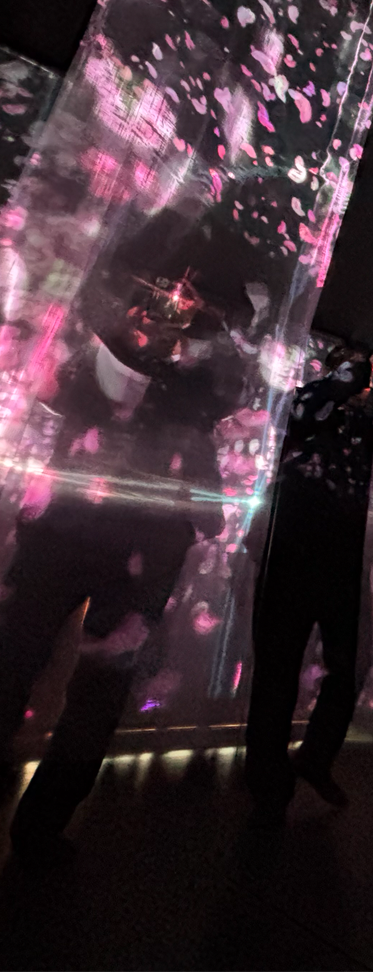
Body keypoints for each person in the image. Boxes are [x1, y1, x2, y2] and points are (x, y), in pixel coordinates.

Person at [0, 245, 248, 865]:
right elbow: (62, 391)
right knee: (33, 668)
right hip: (92, 536)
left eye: (189, 294)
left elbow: (216, 402)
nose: (176, 302)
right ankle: (38, 831)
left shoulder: (196, 372)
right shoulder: (119, 348)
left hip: (119, 544)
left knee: (73, 682)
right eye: (174, 290)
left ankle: (40, 829)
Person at [244, 344, 373, 827]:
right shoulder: (307, 400)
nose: (364, 375)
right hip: (293, 549)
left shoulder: (370, 422)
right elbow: (305, 411)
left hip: (346, 556)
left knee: (352, 664)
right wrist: (354, 376)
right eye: (352, 365)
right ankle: (268, 786)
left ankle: (315, 758)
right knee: (278, 668)